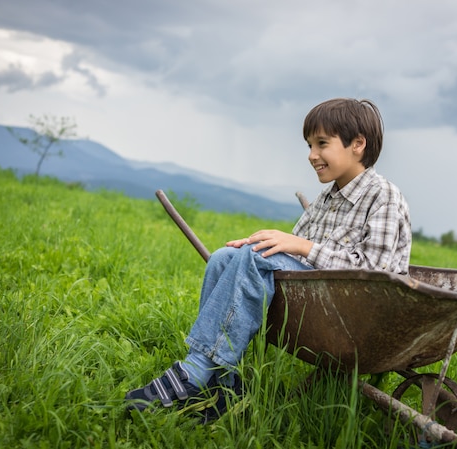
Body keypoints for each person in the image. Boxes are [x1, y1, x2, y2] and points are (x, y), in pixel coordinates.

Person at [125, 98, 412, 419]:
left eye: (321, 144)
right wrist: (254, 245)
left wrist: (302, 247)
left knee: (258, 256)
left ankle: (195, 371)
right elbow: (286, 251)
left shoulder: (383, 195)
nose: (311, 155)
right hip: (327, 302)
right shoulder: (328, 198)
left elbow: (378, 273)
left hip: (362, 314)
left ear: (357, 144)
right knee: (224, 258)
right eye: (309, 145)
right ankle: (223, 384)